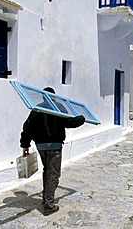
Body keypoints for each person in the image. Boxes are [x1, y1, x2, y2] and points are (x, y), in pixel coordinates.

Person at [20, 87, 85, 215]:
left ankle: (46, 197)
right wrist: (81, 119)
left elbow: (27, 128)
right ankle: (49, 205)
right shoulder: (58, 107)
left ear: (43, 97)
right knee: (54, 174)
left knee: (47, 170)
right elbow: (69, 122)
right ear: (53, 97)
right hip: (54, 146)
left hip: (40, 146)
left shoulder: (36, 109)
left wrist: (25, 145)